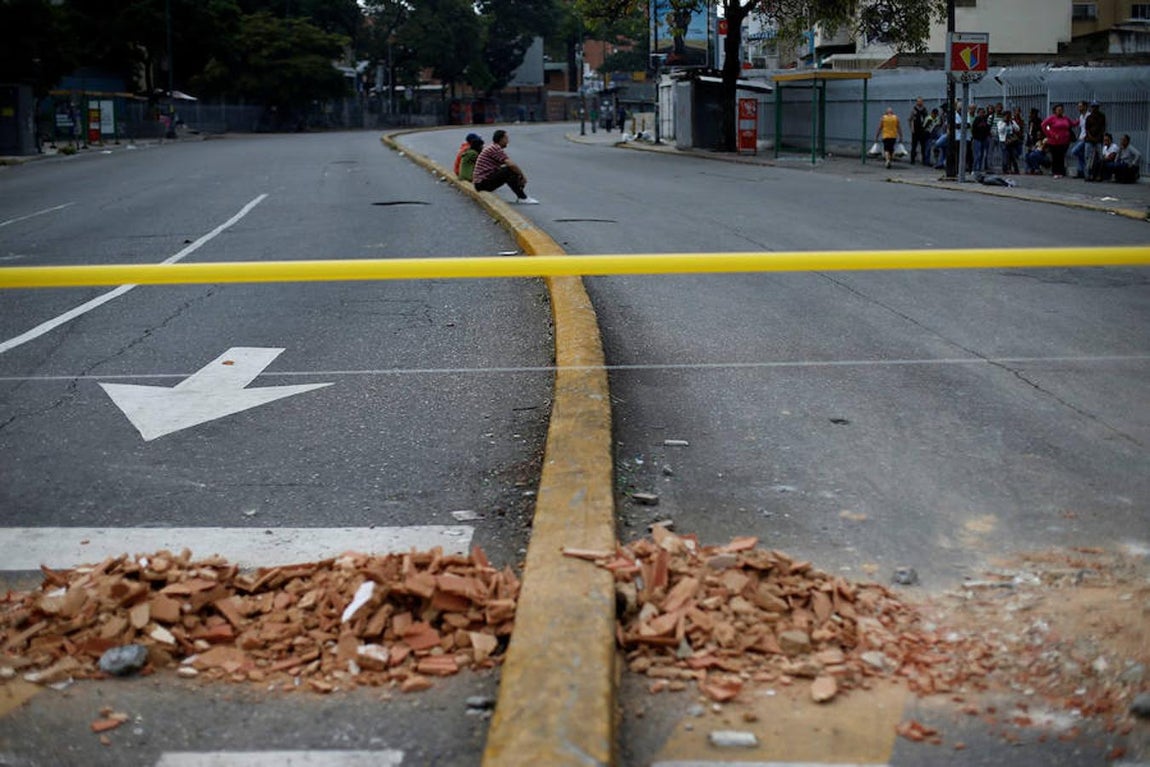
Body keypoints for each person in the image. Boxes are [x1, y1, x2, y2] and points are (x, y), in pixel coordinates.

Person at [473, 129, 538, 204]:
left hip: (482, 182)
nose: (508, 141)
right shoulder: (495, 148)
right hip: (481, 183)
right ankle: (522, 197)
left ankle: (521, 196)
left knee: (510, 171)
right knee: (509, 170)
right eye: (506, 138)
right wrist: (522, 176)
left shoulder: (493, 147)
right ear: (501, 139)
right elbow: (511, 164)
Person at [1040, 103, 1076, 179]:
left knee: (1061, 156)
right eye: (1058, 110)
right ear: (1055, 111)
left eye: (1061, 110)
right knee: (1055, 156)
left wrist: (1080, 120)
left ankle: (1061, 171)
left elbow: (1072, 124)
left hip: (1064, 141)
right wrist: (1050, 134)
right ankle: (1055, 172)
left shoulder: (1065, 118)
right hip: (1054, 141)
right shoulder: (1052, 118)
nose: (1060, 111)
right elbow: (1043, 125)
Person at [1083, 100, 1106, 181]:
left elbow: (1102, 128)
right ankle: (1087, 174)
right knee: (1088, 157)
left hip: (1098, 140)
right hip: (1089, 139)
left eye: (1096, 107)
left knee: (1099, 158)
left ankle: (1098, 175)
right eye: (1093, 107)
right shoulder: (1089, 117)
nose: (1094, 109)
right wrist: (1091, 137)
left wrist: (1097, 137)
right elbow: (1087, 129)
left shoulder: (1102, 116)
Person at [909, 97, 930, 166]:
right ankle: (912, 160)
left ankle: (924, 160)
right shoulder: (914, 110)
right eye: (918, 101)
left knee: (923, 146)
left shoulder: (924, 110)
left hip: (922, 130)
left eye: (921, 101)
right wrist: (912, 128)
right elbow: (910, 119)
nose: (920, 102)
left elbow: (927, 119)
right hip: (915, 130)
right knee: (914, 146)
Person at [1069, 100, 1088, 177]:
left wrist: (1085, 137)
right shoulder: (1081, 117)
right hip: (1081, 137)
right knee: (1081, 155)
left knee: (1074, 151)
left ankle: (1083, 169)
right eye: (1079, 106)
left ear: (1085, 107)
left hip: (1085, 138)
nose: (1079, 108)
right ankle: (1082, 171)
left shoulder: (1088, 116)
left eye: (1081, 106)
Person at [971, 106, 991, 173]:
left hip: (983, 139)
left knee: (982, 154)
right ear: (978, 113)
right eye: (981, 112)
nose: (982, 114)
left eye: (983, 112)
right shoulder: (976, 119)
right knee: (977, 155)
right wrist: (980, 126)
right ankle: (974, 169)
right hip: (977, 139)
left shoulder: (985, 120)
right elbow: (974, 129)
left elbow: (988, 128)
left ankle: (979, 168)